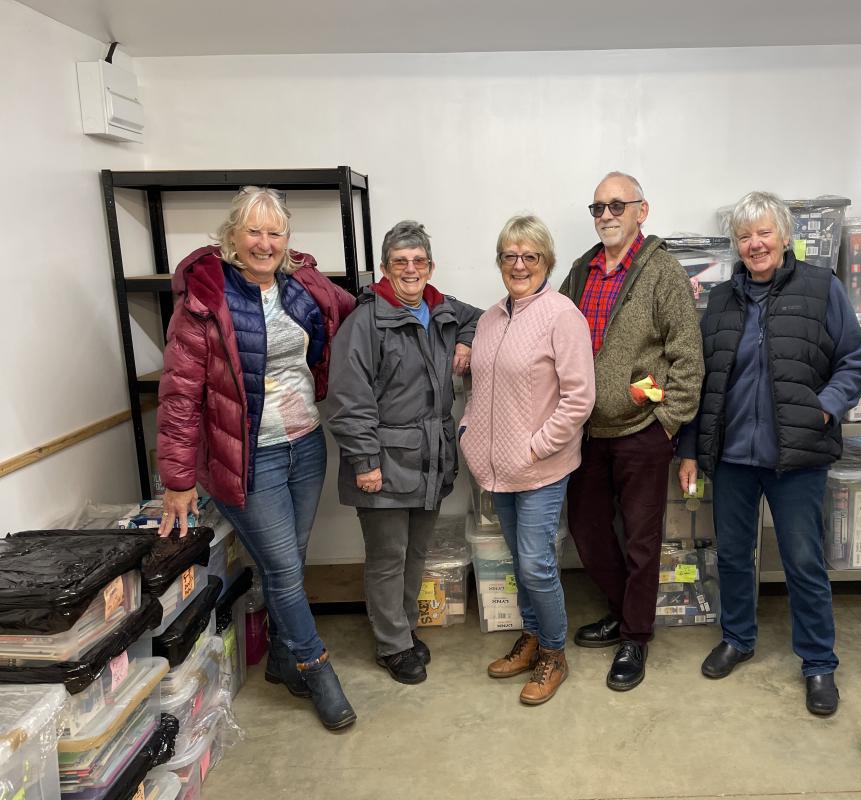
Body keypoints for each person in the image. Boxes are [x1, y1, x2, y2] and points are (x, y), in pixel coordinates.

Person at [157, 186, 357, 731]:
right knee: (287, 569)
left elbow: (349, 314)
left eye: (275, 232)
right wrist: (176, 478)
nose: (264, 243)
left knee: (286, 559)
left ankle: (279, 660)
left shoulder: (300, 286)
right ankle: (317, 669)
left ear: (287, 240)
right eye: (253, 231)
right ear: (233, 236)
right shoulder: (205, 298)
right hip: (246, 456)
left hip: (306, 446)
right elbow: (179, 394)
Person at [677, 190, 861, 717]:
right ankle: (738, 638)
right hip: (735, 457)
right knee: (735, 556)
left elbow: (854, 360)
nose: (755, 243)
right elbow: (702, 384)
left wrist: (825, 409)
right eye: (744, 236)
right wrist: (691, 450)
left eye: (764, 232)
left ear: (785, 237)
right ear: (736, 245)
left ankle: (818, 663)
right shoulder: (719, 302)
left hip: (798, 457)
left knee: (804, 561)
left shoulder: (821, 289)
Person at [559, 172, 703, 691]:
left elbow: (688, 356)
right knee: (588, 530)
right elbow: (553, 332)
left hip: (643, 427)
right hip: (587, 431)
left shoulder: (663, 272)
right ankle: (626, 614)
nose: (606, 215)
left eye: (617, 205)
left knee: (643, 541)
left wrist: (667, 422)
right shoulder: (581, 271)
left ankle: (636, 639)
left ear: (643, 210)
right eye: (598, 207)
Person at [324, 220, 481, 685]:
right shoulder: (364, 323)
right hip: (385, 463)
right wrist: (365, 463)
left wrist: (468, 341)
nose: (410, 270)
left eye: (418, 261)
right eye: (400, 262)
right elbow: (348, 400)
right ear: (384, 268)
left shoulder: (443, 309)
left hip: (430, 461)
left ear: (430, 266)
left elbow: (481, 318)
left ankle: (405, 631)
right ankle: (392, 644)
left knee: (415, 553)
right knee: (387, 557)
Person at [460, 215, 595, 705]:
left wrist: (537, 445)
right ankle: (533, 637)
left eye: (529, 256)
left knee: (537, 565)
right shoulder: (492, 318)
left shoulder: (562, 315)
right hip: (497, 468)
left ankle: (554, 654)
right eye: (509, 256)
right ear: (500, 263)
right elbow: (482, 386)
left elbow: (579, 399)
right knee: (520, 561)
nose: (519, 265)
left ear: (546, 262)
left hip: (540, 468)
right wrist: (469, 434)